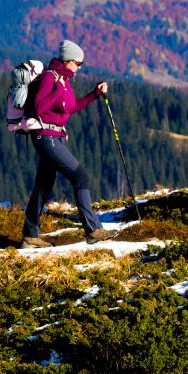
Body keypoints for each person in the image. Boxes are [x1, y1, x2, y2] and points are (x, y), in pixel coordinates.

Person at [21, 39, 116, 248]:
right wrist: (56, 91)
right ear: (67, 61)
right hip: (45, 136)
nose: (80, 67)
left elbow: (71, 108)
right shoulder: (50, 77)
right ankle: (93, 230)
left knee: (43, 184)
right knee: (80, 175)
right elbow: (39, 106)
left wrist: (94, 94)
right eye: (78, 63)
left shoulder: (64, 79)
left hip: (55, 137)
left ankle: (30, 235)